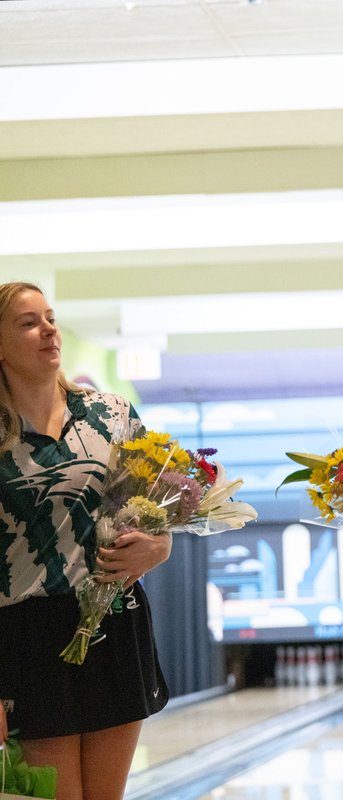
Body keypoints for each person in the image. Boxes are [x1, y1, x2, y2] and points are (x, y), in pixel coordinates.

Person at [0, 281, 171, 800]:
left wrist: (158, 548)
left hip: (113, 621)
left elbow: (155, 514)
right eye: (28, 322)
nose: (48, 329)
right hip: (26, 635)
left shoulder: (111, 414)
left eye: (49, 317)